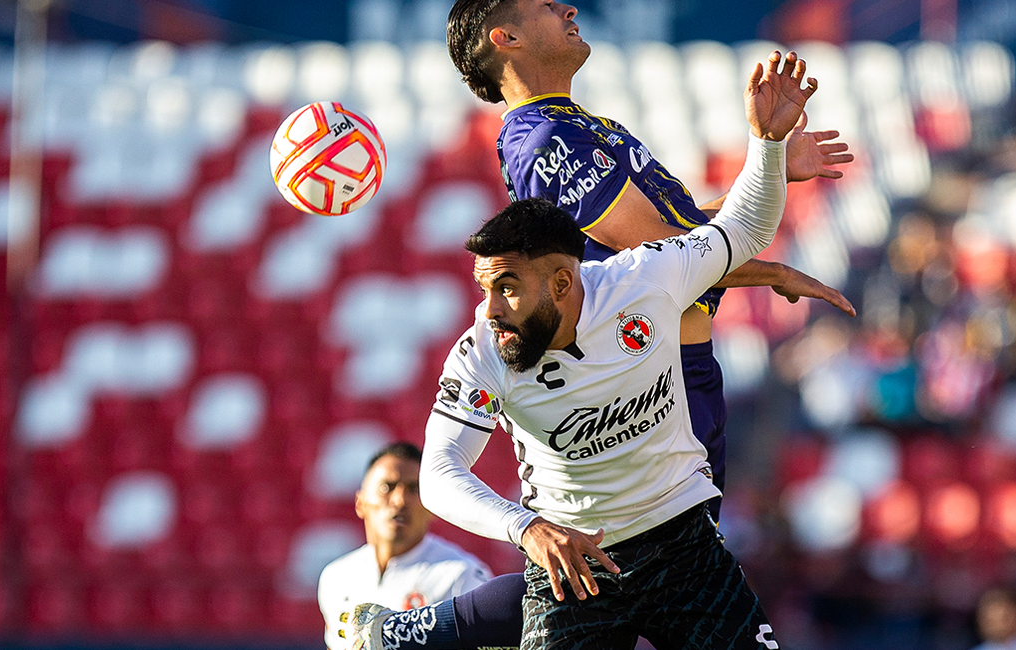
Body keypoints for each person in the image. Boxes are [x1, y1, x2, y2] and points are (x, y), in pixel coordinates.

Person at [344, 46, 814, 650]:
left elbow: (744, 227)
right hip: (572, 565)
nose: (491, 309)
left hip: (685, 551)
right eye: (485, 288)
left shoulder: (642, 281)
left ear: (564, 281)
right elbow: (437, 474)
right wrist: (528, 529)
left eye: (507, 288)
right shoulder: (484, 348)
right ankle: (410, 633)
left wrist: (767, 146)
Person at [318, 442, 491, 650]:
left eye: (413, 489)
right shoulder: (335, 578)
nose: (400, 500)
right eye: (387, 487)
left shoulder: (463, 577)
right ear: (360, 503)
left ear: (431, 506)